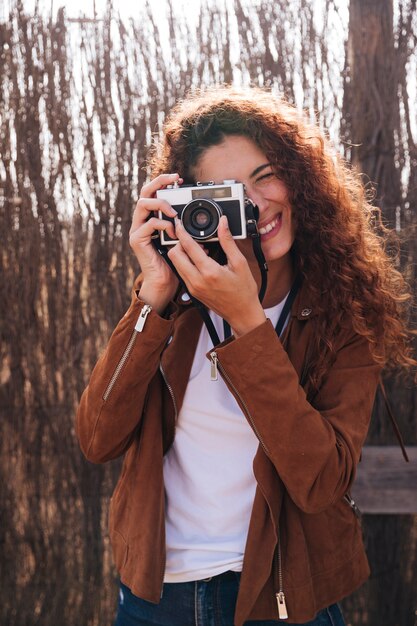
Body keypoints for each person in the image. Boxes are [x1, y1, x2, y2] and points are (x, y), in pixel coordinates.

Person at [75, 86, 416, 626]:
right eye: (228, 191)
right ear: (194, 205)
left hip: (282, 598)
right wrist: (153, 296)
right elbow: (98, 438)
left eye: (265, 176)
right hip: (156, 597)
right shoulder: (175, 302)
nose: (255, 206)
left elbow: (321, 479)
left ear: (302, 180)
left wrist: (248, 323)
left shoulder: (342, 316)